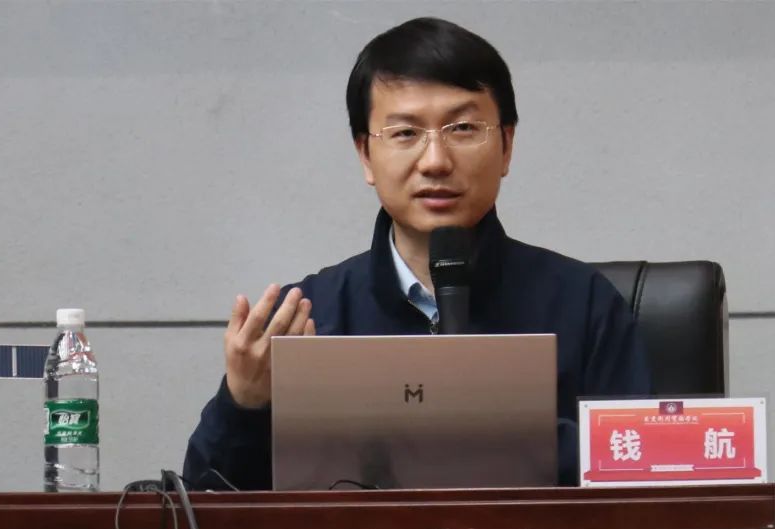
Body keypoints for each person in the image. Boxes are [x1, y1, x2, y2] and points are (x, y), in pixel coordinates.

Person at [183, 17, 651, 490]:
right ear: (365, 155)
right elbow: (202, 510)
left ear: (507, 145)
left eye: (463, 128)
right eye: (405, 133)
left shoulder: (584, 305)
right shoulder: (306, 318)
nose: (435, 161)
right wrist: (243, 404)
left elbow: (643, 473)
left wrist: (497, 431)